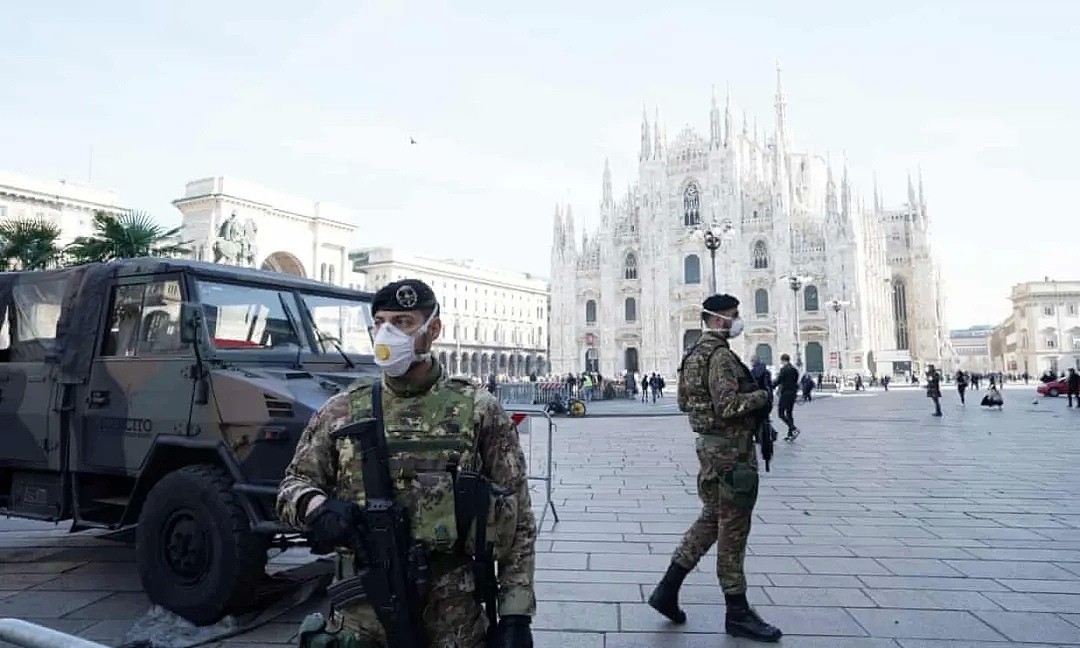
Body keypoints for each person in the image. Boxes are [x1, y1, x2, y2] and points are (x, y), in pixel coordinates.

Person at [276, 279, 537, 648]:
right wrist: (317, 507)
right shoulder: (341, 410)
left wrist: (515, 614)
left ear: (433, 330)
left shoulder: (478, 410)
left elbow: (518, 514)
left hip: (454, 620)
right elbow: (292, 485)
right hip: (361, 619)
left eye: (402, 322)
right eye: (380, 322)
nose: (386, 333)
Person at [648, 293, 782, 642]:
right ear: (720, 319)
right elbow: (727, 406)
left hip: (709, 448)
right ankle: (737, 612)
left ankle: (667, 589)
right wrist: (762, 396)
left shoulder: (694, 353)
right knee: (733, 529)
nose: (738, 321)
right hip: (730, 454)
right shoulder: (720, 356)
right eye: (735, 315)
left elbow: (682, 401)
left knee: (711, 519)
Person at [774, 353, 800, 441]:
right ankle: (790, 434)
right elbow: (796, 382)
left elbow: (778, 380)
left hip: (785, 394)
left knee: (780, 413)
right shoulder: (794, 370)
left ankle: (793, 428)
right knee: (789, 413)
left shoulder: (784, 369)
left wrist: (771, 386)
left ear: (783, 360)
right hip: (793, 394)